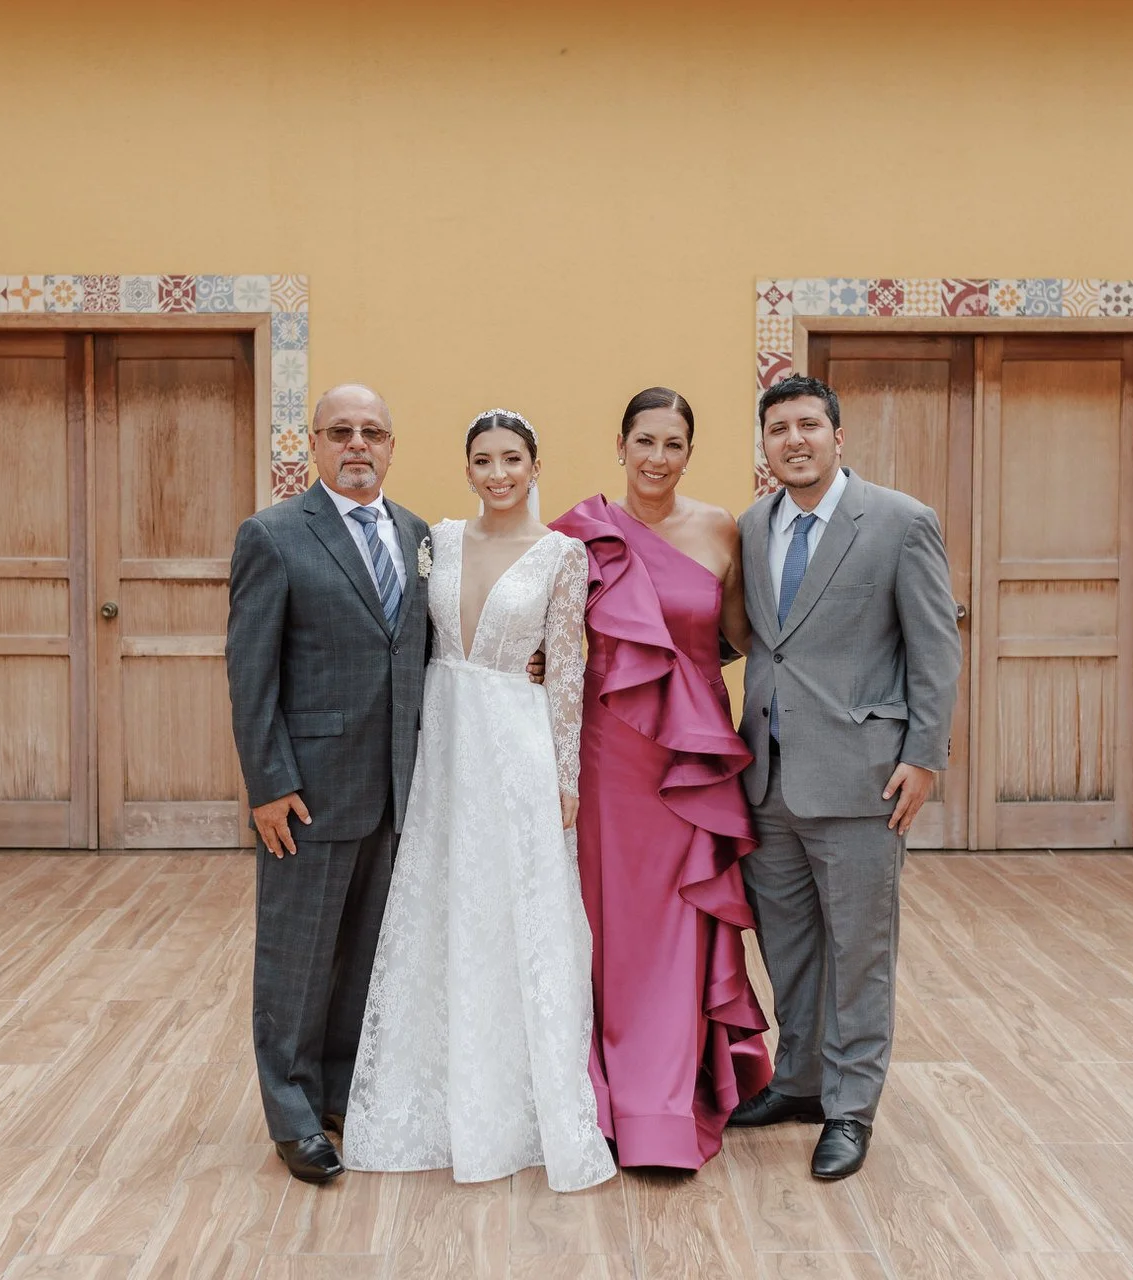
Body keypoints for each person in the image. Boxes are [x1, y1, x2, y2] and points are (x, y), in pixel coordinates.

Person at [229, 384, 548, 1185]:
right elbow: (250, 672)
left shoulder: (417, 536)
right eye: (341, 431)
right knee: (297, 959)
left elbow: (441, 641)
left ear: (392, 446)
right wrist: (268, 783)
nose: (357, 445)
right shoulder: (273, 536)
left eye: (372, 432)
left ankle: (343, 1093)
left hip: (404, 788)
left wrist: (525, 658)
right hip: (309, 791)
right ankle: (293, 1115)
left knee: (368, 959)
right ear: (315, 443)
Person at [344, 410, 615, 1193]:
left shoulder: (563, 555)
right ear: (467, 469)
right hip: (445, 741)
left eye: (512, 459)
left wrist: (566, 775)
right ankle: (431, 1097)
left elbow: (567, 667)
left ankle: (515, 1104)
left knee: (513, 909)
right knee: (441, 902)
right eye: (484, 460)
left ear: (536, 466)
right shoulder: (439, 540)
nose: (498, 474)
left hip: (517, 746)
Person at [727, 373, 961, 1180]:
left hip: (864, 779)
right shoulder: (751, 526)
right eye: (778, 429)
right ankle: (799, 1081)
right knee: (789, 947)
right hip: (767, 779)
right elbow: (748, 637)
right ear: (765, 444)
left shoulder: (899, 522)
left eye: (808, 426)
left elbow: (935, 649)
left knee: (861, 952)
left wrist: (924, 756)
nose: (794, 440)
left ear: (837, 436)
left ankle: (851, 1106)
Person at [549, 388, 772, 1170]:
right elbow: (547, 640)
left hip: (693, 759)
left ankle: (667, 1107)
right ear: (620, 445)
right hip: (610, 755)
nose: (657, 458)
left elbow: (742, 636)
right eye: (644, 441)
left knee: (683, 916)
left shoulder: (720, 529)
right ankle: (603, 1099)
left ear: (689, 453)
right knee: (613, 922)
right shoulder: (578, 535)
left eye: (673, 444)